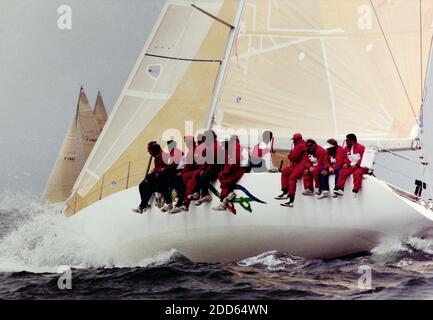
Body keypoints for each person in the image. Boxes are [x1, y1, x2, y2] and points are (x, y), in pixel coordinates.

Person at [188, 130, 223, 206]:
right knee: (198, 175)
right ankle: (197, 193)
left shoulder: (215, 145)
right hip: (211, 166)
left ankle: (206, 195)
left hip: (217, 166)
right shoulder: (209, 146)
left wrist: (204, 169)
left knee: (204, 176)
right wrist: (203, 169)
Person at [132, 142, 167, 214]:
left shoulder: (162, 156)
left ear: (154, 150)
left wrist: (155, 172)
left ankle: (142, 206)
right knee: (141, 185)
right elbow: (157, 168)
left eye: (150, 151)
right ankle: (143, 205)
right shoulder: (156, 157)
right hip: (157, 176)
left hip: (162, 178)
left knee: (148, 185)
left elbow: (164, 168)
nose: (149, 153)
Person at [213, 135, 246, 211]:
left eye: (223, 143)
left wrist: (225, 172)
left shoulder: (236, 147)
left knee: (225, 181)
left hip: (241, 167)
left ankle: (225, 200)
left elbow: (235, 163)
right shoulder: (233, 148)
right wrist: (224, 172)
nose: (222, 145)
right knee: (223, 178)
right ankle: (228, 196)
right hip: (239, 167)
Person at [276, 133, 308, 208]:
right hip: (299, 165)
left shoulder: (299, 146)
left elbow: (293, 158)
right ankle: (285, 192)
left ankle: (291, 200)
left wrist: (289, 155)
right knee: (285, 171)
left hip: (302, 165)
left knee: (292, 178)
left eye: (293, 139)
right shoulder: (302, 144)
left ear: (295, 140)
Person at [169, 136, 199, 214]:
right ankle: (174, 200)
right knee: (174, 180)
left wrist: (181, 172)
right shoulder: (190, 150)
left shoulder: (192, 150)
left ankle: (179, 201)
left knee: (178, 181)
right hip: (186, 170)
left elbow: (189, 165)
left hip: (191, 171)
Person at [333, 133, 367, 197]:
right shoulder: (346, 149)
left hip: (360, 166)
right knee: (342, 171)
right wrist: (346, 163)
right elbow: (346, 158)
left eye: (347, 141)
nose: (346, 142)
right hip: (351, 166)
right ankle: (340, 188)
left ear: (352, 141)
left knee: (357, 173)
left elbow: (363, 158)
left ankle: (355, 190)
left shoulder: (361, 147)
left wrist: (357, 164)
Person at [158, 140, 183, 212]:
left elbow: (174, 164)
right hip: (172, 172)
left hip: (177, 171)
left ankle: (173, 202)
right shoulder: (171, 153)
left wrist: (164, 169)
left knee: (173, 183)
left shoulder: (177, 152)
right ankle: (168, 201)